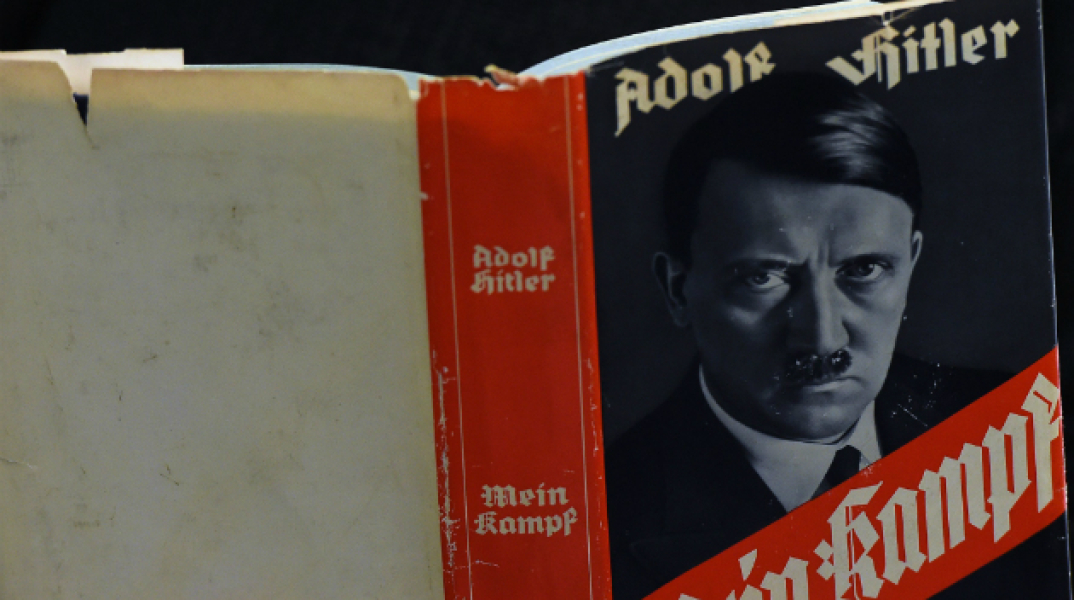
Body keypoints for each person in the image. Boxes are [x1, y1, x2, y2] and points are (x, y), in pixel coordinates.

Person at [603, 73, 1065, 599]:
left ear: (910, 263)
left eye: (863, 270)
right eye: (763, 278)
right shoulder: (607, 522)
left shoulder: (1017, 432)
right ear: (678, 291)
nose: (823, 339)